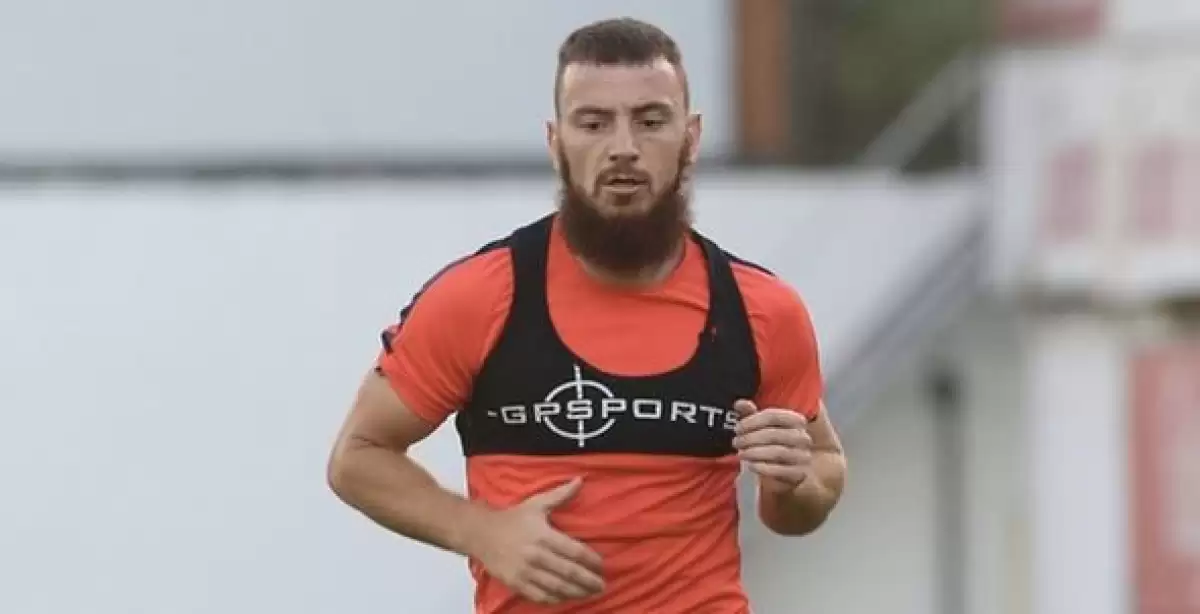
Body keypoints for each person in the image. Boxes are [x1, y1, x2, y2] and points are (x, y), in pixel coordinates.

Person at [327, 17, 847, 614]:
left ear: (691, 137)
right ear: (556, 143)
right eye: (594, 123)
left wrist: (791, 483)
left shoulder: (763, 310)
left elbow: (813, 481)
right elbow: (357, 456)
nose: (623, 147)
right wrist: (480, 531)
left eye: (650, 121)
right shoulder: (479, 298)